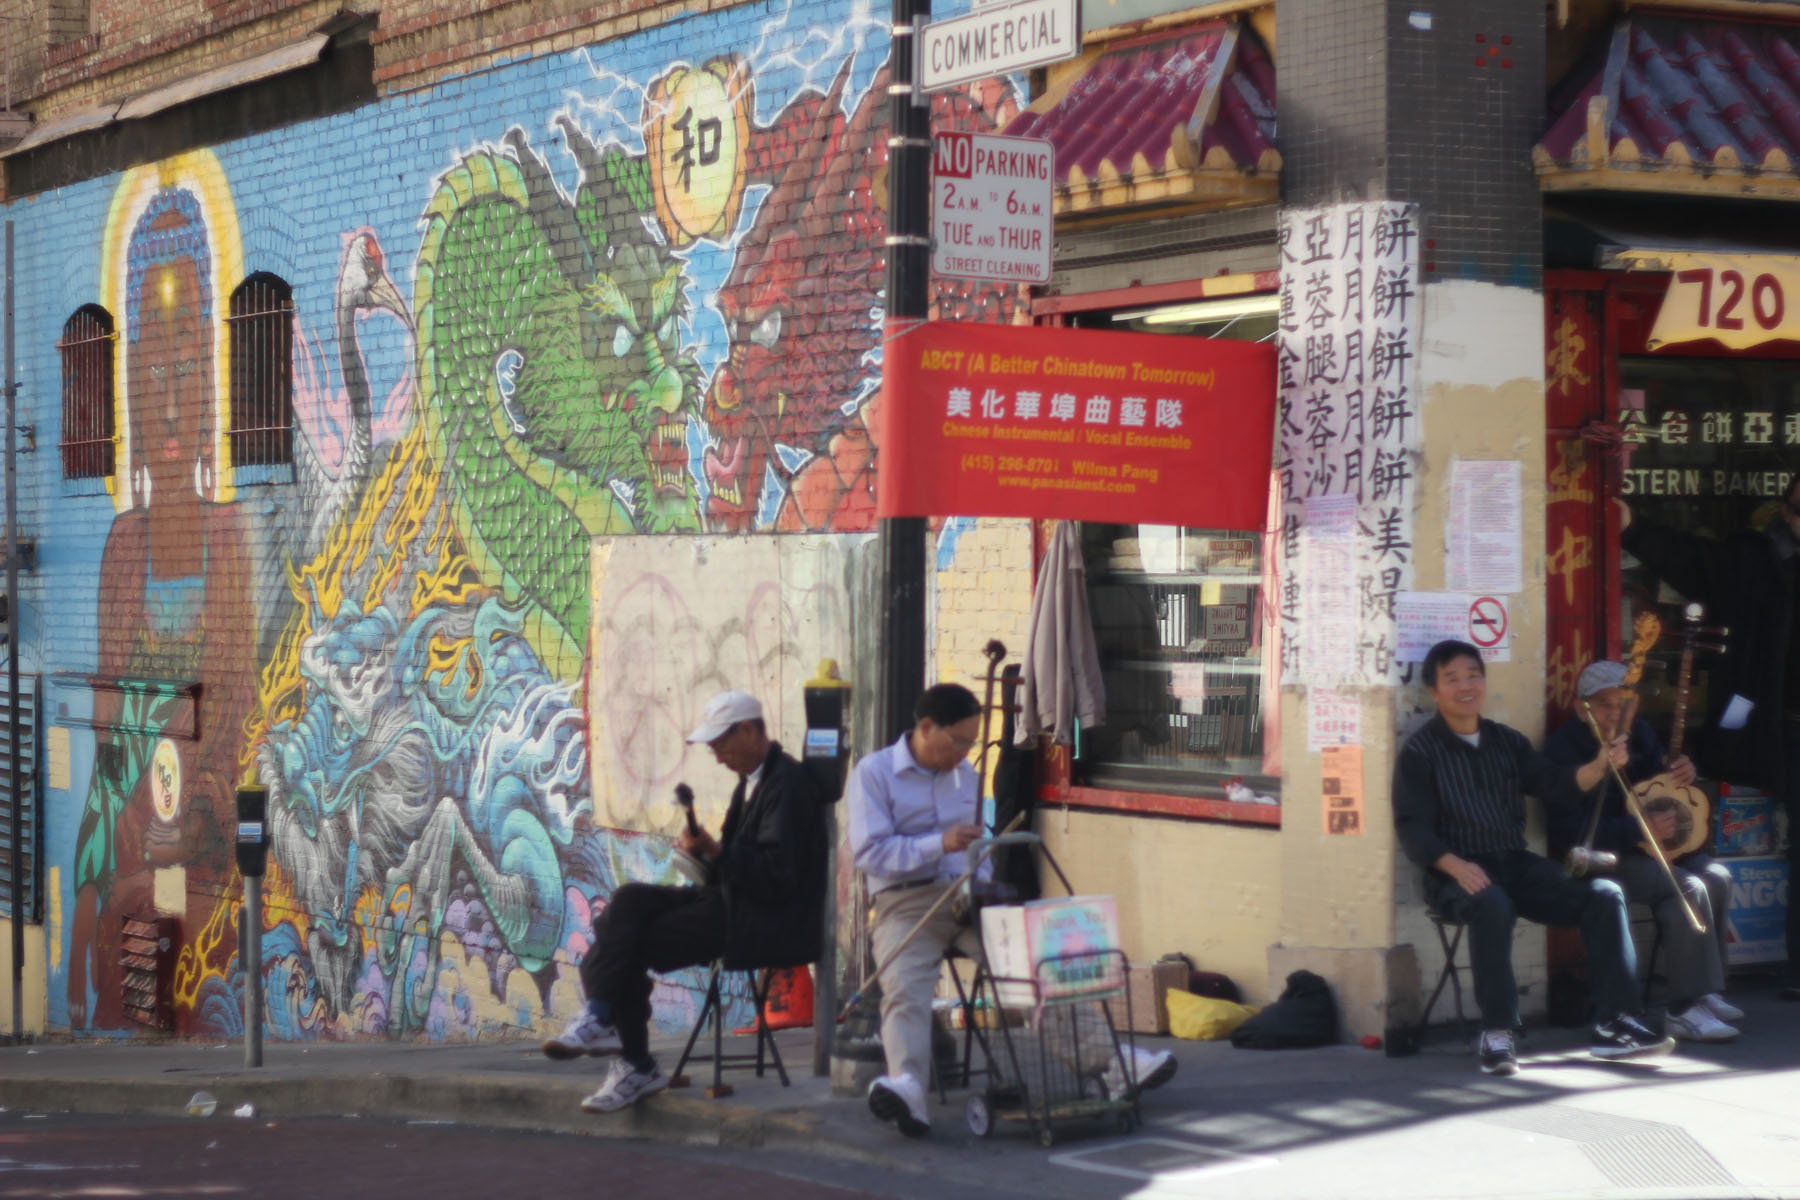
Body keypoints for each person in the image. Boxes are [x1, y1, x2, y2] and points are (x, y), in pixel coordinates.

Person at [848, 683, 1173, 1138]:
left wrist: (984, 875)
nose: (964, 753)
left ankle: (1112, 1063)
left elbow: (976, 845)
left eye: (970, 743)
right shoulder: (874, 772)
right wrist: (938, 844)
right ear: (926, 728)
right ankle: (908, 1087)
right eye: (957, 741)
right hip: (905, 901)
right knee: (904, 985)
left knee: (1036, 969)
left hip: (969, 896)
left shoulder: (964, 775)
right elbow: (869, 853)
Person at [1393, 640, 1674, 1076]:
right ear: (1434, 691)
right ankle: (1497, 1031)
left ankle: (1615, 1021)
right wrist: (1456, 866)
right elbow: (1413, 829)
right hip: (1454, 872)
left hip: (1513, 862)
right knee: (1492, 903)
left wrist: (1601, 765)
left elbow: (1556, 783)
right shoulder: (1420, 752)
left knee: (1603, 894)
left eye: (1473, 675)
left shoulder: (1507, 741)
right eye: (1452, 679)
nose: (1466, 686)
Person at [542, 689, 827, 1113]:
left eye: (721, 745)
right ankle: (603, 1020)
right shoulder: (751, 785)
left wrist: (715, 850)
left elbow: (777, 877)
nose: (718, 757)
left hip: (760, 918)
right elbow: (733, 867)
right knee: (627, 903)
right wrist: (702, 857)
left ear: (749, 732)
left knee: (626, 944)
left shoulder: (787, 786)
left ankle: (630, 1055)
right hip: (729, 901)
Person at [1619, 491, 1800, 1000]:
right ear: (1786, 511)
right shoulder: (1758, 559)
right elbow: (1697, 561)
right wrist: (1633, 528)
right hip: (1778, 725)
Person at [1543, 661, 1742, 1042]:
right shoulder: (1562, 750)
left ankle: (1706, 990)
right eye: (1604, 704)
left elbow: (1661, 783)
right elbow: (1568, 832)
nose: (1615, 713)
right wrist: (1638, 829)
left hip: (1647, 847)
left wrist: (1682, 773)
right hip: (1602, 857)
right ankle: (1684, 1008)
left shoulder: (1640, 735)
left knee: (1716, 876)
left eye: (1624, 703)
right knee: (1687, 888)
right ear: (1581, 708)